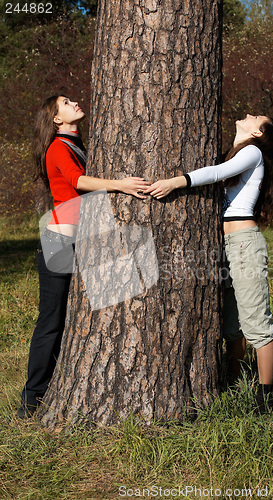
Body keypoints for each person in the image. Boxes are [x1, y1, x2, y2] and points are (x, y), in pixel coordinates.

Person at [18, 95, 150, 419]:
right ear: (56, 119)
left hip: (84, 239)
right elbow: (79, 182)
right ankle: (30, 401)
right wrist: (121, 185)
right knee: (51, 322)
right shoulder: (58, 148)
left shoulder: (78, 144)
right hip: (60, 242)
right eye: (66, 102)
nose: (75, 102)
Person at [144, 114, 273, 411]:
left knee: (256, 321)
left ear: (258, 132)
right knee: (231, 322)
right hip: (223, 244)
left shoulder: (253, 152)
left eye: (257, 117)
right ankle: (234, 380)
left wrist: (175, 183)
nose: (249, 114)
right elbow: (223, 166)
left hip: (244, 244)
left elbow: (218, 172)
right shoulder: (238, 152)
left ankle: (265, 397)